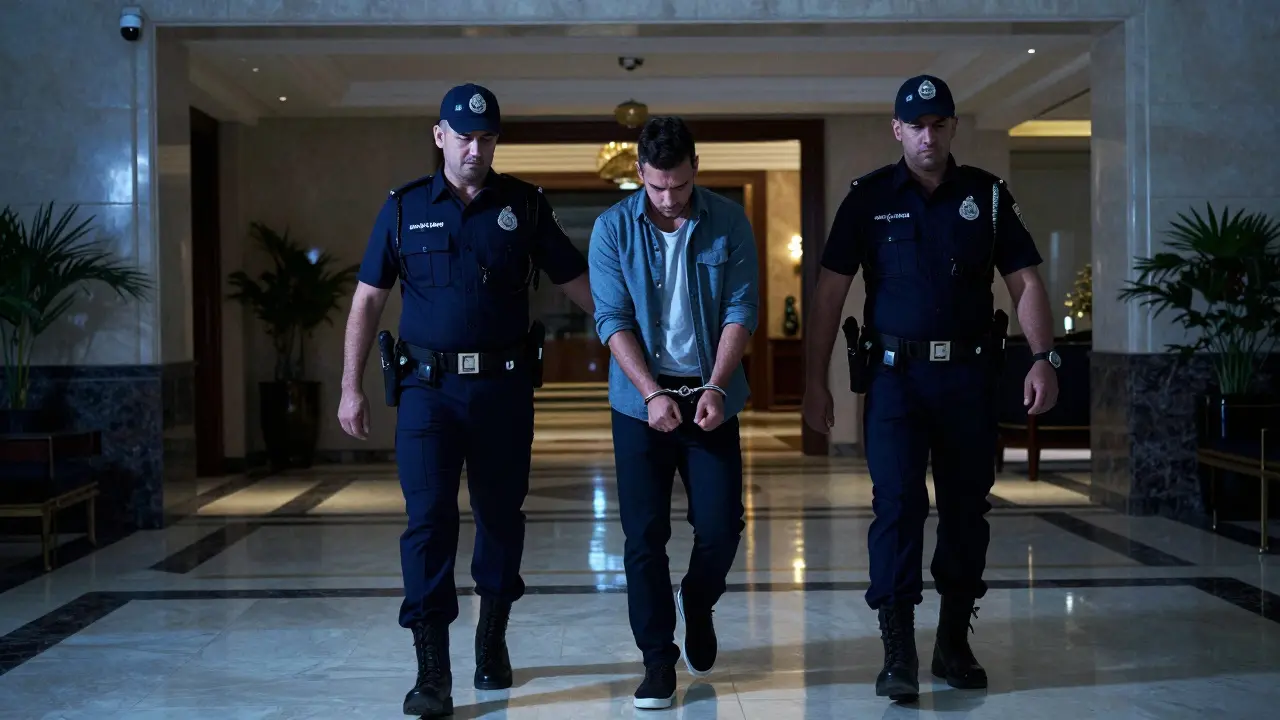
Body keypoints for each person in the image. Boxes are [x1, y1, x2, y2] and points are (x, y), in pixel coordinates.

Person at [336, 83, 595, 718]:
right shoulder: (403, 208)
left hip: (503, 391)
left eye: (486, 137)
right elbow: (368, 298)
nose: (475, 148)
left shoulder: (526, 207)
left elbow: (579, 283)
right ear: (440, 135)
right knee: (428, 523)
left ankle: (491, 635)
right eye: (464, 136)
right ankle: (431, 670)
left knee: (501, 518)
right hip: (428, 393)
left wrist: (635, 347)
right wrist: (350, 384)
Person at [802, 75, 1060, 702]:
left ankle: (952, 639)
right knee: (897, 507)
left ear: (951, 128)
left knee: (967, 508)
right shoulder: (867, 198)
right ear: (897, 129)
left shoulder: (988, 197)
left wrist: (1044, 357)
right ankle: (897, 648)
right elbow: (831, 290)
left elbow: (1023, 281)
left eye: (938, 123)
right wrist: (815, 381)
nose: (927, 135)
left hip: (970, 378)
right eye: (915, 125)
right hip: (894, 381)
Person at [588, 116, 759, 710]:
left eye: (680, 186)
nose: (668, 199)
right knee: (644, 536)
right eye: (657, 187)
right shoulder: (612, 229)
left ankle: (699, 598)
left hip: (710, 394)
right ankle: (657, 660)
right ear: (639, 174)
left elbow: (741, 308)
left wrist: (716, 383)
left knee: (720, 525)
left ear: (696, 171)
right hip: (641, 404)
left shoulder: (729, 221)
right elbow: (612, 319)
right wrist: (651, 394)